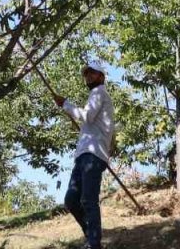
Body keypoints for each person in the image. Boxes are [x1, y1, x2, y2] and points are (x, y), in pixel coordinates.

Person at [53, 60, 115, 249]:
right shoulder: (95, 96)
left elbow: (87, 116)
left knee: (88, 200)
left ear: (101, 77)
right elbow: (91, 121)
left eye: (92, 73)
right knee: (71, 200)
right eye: (86, 73)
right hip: (84, 155)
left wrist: (65, 104)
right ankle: (91, 237)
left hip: (93, 155)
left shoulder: (99, 92)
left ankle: (94, 244)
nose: (88, 76)